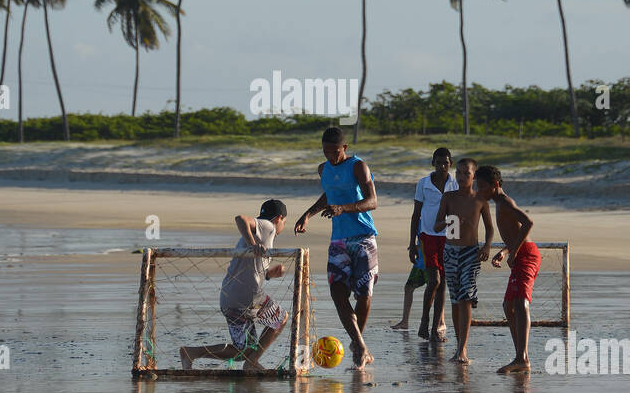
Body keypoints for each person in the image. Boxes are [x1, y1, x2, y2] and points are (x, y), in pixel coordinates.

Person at [294, 127, 379, 368]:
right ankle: (361, 346)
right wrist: (308, 214)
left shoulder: (358, 166)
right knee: (337, 292)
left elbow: (373, 201)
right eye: (326, 152)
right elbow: (329, 195)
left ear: (345, 148)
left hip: (363, 237)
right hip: (339, 241)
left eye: (335, 152)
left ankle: (357, 343)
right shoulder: (323, 169)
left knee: (364, 294)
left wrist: (344, 208)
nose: (331, 157)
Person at [180, 200, 289, 371]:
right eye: (284, 222)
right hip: (247, 298)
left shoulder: (260, 235)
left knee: (244, 350)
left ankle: (191, 352)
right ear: (279, 218)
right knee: (280, 318)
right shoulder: (269, 226)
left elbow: (251, 271)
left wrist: (268, 274)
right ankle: (252, 363)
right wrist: (253, 244)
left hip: (230, 298)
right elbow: (240, 219)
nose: (283, 226)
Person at [476, 165, 539, 374]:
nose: (479, 191)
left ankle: (521, 358)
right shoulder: (497, 203)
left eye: (482, 187)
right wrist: (505, 251)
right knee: (508, 305)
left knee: (521, 302)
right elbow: (514, 232)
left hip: (527, 255)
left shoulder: (505, 202)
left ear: (495, 185)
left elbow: (528, 223)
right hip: (518, 253)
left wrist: (514, 252)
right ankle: (522, 357)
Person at [433, 158, 494, 364]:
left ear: (473, 176)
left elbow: (490, 228)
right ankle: (459, 347)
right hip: (450, 251)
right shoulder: (448, 197)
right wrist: (451, 221)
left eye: (466, 174)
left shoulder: (480, 199)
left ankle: (463, 349)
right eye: (458, 173)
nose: (461, 177)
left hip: (471, 252)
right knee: (455, 300)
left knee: (466, 296)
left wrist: (486, 246)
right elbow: (436, 225)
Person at [399, 147, 456, 341]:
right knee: (434, 280)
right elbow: (416, 215)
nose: (442, 166)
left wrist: (457, 240)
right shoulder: (423, 184)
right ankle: (424, 321)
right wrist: (412, 243)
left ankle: (434, 329)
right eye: (438, 162)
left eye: (445, 163)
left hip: (447, 238)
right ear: (433, 163)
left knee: (443, 285)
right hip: (427, 236)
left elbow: (457, 214)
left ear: (450, 164)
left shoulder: (455, 185)